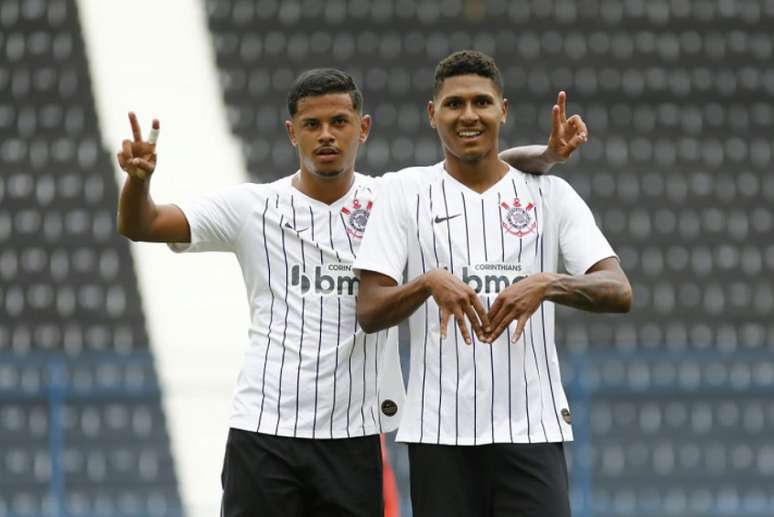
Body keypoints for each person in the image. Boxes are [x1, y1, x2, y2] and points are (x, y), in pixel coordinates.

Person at [115, 67, 587, 517]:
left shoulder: (394, 199)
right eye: (312, 124)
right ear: (291, 132)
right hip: (263, 432)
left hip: (354, 437)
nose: (326, 135)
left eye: (339, 122)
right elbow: (143, 224)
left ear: (362, 128)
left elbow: (475, 168)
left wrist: (546, 157)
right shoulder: (250, 207)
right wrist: (138, 182)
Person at [354, 51, 632, 517]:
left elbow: (618, 290)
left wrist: (546, 284)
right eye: (454, 104)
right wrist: (425, 283)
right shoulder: (404, 193)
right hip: (439, 435)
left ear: (503, 110)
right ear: (432, 114)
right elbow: (369, 309)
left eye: (481, 102)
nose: (468, 115)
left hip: (532, 433)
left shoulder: (549, 194)